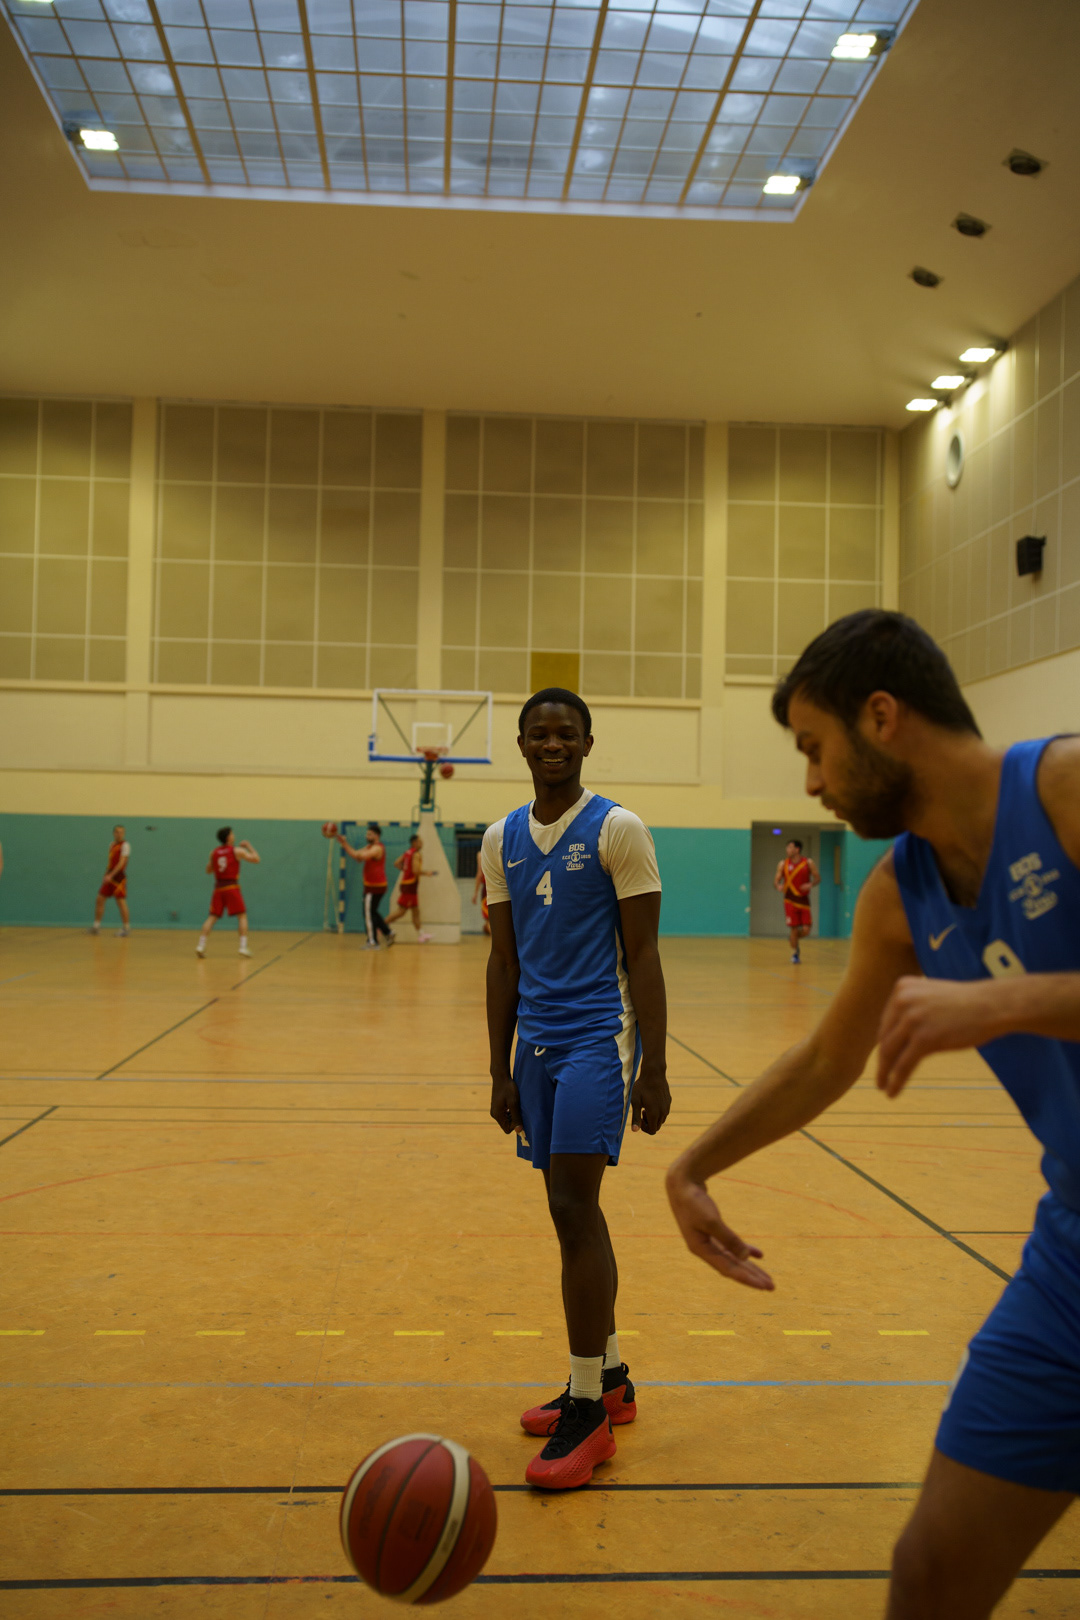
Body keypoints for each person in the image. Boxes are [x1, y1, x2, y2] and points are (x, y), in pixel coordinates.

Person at [664, 609, 1080, 1619]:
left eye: (815, 748)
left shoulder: (1066, 788)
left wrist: (1005, 1001)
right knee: (930, 1572)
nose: (811, 783)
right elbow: (826, 1058)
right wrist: (694, 1165)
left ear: (882, 717)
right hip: (1072, 1255)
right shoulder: (900, 894)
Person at [483, 686, 671, 1490]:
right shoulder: (500, 839)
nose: (552, 744)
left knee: (572, 1206)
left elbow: (645, 955)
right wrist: (499, 1068)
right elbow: (503, 961)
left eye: (567, 733)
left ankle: (588, 1410)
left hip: (599, 1039)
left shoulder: (618, 829)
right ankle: (610, 1376)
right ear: (523, 746)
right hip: (537, 1046)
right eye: (540, 733)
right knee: (573, 1213)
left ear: (588, 744)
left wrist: (654, 1066)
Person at [197, 827, 259, 958]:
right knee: (242, 916)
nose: (234, 835)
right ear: (229, 837)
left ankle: (200, 945)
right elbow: (256, 859)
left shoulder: (214, 852)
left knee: (212, 917)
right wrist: (248, 846)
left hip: (218, 888)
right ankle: (243, 947)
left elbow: (208, 870)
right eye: (232, 833)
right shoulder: (237, 851)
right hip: (231, 887)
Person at [337, 821, 393, 949]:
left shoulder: (377, 848)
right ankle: (388, 932)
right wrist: (344, 843)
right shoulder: (369, 847)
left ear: (377, 836)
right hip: (374, 885)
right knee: (372, 912)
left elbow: (360, 856)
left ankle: (372, 942)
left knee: (368, 913)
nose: (367, 836)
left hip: (375, 886)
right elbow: (356, 855)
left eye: (370, 834)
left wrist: (349, 847)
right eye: (367, 834)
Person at [774, 837, 820, 962]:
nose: (787, 849)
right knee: (794, 928)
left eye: (790, 847)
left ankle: (792, 939)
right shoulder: (783, 864)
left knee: (806, 930)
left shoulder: (808, 862)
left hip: (804, 900)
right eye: (787, 847)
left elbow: (817, 878)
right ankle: (795, 954)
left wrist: (810, 884)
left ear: (797, 849)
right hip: (789, 900)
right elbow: (776, 880)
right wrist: (778, 885)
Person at [387, 834, 436, 943]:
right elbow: (415, 871)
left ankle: (421, 935)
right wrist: (426, 873)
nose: (422, 843)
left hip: (408, 885)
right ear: (414, 843)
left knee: (416, 911)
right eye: (420, 841)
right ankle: (381, 926)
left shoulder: (407, 853)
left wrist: (405, 870)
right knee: (401, 912)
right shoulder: (416, 854)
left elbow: (396, 863)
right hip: (410, 885)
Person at [89, 824, 130, 937]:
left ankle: (126, 928)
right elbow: (111, 862)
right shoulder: (111, 845)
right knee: (100, 899)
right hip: (110, 876)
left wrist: (111, 875)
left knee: (120, 902)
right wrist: (106, 874)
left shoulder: (125, 845)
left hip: (118, 877)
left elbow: (121, 863)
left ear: (124, 834)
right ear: (114, 833)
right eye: (117, 832)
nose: (119, 834)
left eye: (121, 832)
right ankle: (96, 926)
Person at [472, 866, 490, 935]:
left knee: (489, 918)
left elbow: (479, 875)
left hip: (487, 888)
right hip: (498, 886)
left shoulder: (480, 858)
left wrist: (475, 893)